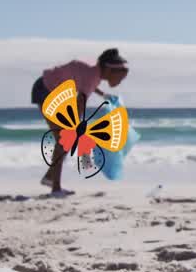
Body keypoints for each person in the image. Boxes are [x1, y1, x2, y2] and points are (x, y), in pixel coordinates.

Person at [31, 48, 130, 197]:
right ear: (109, 70)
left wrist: (102, 94)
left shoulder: (95, 72)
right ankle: (55, 188)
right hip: (46, 90)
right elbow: (80, 103)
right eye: (120, 77)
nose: (120, 81)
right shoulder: (93, 76)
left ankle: (50, 178)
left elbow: (83, 79)